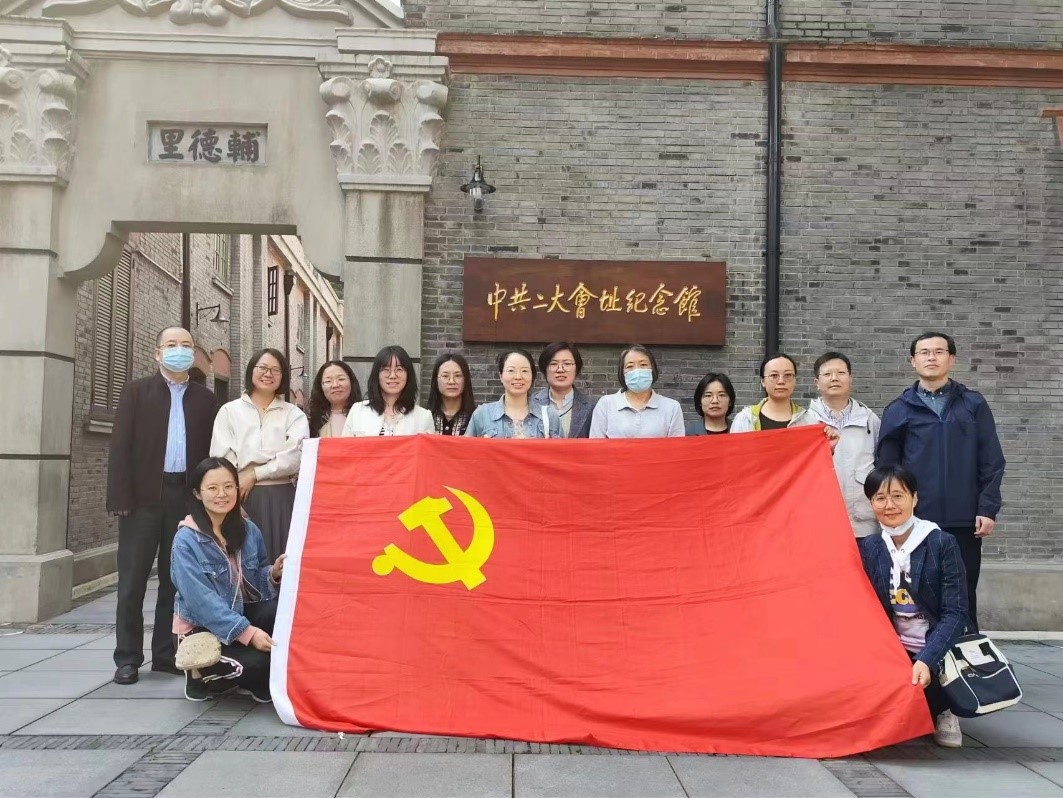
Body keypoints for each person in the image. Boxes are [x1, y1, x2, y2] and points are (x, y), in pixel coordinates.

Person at [107, 326, 218, 686]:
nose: (178, 350)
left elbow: (211, 454)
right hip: (141, 499)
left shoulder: (205, 400)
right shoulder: (136, 392)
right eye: (171, 344)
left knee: (175, 580)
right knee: (132, 581)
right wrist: (120, 498)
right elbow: (120, 447)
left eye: (186, 345)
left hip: (185, 498)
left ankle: (166, 654)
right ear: (158, 353)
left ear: (194, 353)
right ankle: (127, 657)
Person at [876, 332, 1005, 631]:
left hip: (964, 521)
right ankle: (921, 653)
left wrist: (987, 508)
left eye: (939, 351)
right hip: (917, 521)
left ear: (951, 359)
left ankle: (965, 652)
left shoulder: (973, 404)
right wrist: (896, 514)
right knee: (917, 593)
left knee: (962, 593)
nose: (931, 357)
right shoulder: (898, 409)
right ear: (913, 361)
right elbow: (888, 470)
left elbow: (991, 460)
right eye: (924, 352)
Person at [857, 464, 969, 749]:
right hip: (895, 647)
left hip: (936, 646)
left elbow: (955, 612)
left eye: (898, 496)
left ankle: (946, 709)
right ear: (871, 503)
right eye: (880, 498)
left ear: (914, 498)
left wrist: (927, 658)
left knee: (928, 692)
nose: (889, 505)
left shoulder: (941, 542)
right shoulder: (871, 546)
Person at [171, 457, 284, 703]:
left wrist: (273, 574)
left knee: (278, 615)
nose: (222, 494)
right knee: (263, 664)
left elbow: (254, 580)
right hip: (201, 630)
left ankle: (249, 677)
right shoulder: (185, 541)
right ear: (198, 494)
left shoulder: (248, 530)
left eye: (229, 486)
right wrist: (249, 634)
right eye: (212, 488)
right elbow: (203, 604)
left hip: (239, 613)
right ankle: (198, 673)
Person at [210, 348, 309, 562]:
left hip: (281, 497)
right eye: (263, 367)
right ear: (251, 371)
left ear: (283, 376)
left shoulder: (294, 414)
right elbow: (221, 456)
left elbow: (295, 457)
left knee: (282, 560)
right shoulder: (229, 411)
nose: (268, 373)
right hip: (240, 495)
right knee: (242, 561)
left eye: (275, 370)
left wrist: (255, 474)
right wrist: (234, 488)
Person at [808, 352, 881, 537]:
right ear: (817, 383)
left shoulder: (870, 420)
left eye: (841, 372)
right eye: (827, 374)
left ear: (850, 378)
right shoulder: (804, 422)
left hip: (864, 524)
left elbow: (881, 466)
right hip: (819, 523)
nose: (834, 378)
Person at [589, 345, 684, 438]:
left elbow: (677, 446)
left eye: (643, 365)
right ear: (622, 373)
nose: (637, 371)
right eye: (630, 366)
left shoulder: (672, 407)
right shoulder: (606, 404)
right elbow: (595, 445)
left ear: (652, 369)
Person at [466, 349, 562, 438]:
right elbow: (466, 448)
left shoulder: (550, 415)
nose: (518, 376)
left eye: (524, 371)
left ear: (532, 376)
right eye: (511, 370)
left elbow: (562, 449)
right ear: (501, 376)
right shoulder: (482, 414)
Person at [342, 345, 434, 436]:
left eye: (399, 369)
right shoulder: (358, 411)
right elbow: (346, 445)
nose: (392, 376)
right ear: (376, 375)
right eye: (386, 370)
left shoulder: (423, 417)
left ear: (408, 375)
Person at [531, 342, 597, 438]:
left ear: (576, 368)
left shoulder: (593, 407)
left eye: (567, 364)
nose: (560, 369)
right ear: (545, 369)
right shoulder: (530, 403)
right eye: (554, 364)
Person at [306, 360, 362, 438]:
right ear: (320, 387)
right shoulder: (312, 421)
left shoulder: (364, 415)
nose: (335, 385)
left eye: (341, 379)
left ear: (351, 382)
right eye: (328, 381)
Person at [427, 352, 476, 436]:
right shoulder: (425, 416)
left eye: (458, 376)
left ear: (466, 380)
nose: (451, 381)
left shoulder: (476, 418)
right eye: (445, 376)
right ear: (436, 380)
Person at [686, 372, 736, 436]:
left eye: (721, 395)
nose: (715, 401)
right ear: (699, 401)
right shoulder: (689, 432)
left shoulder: (738, 430)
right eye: (708, 395)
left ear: (730, 401)